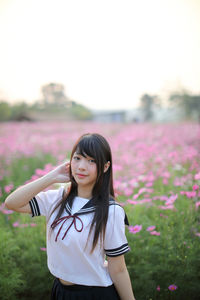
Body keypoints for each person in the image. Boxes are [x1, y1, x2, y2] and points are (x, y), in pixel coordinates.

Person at [5, 133, 136, 300]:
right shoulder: (58, 198)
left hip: (95, 294)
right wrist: (51, 177)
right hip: (60, 291)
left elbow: (118, 269)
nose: (81, 167)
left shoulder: (111, 211)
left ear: (105, 167)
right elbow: (11, 203)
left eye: (92, 161)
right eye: (78, 158)